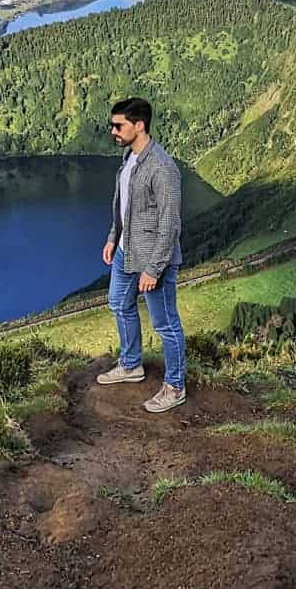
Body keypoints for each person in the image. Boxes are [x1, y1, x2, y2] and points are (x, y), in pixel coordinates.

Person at [96, 96, 187, 413]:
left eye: (118, 125)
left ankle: (175, 387)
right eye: (113, 125)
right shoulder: (129, 158)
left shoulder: (162, 168)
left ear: (139, 125)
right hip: (125, 252)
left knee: (165, 324)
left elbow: (170, 223)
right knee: (119, 304)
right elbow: (124, 207)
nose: (113, 131)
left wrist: (154, 269)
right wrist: (113, 237)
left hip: (152, 261)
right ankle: (131, 364)